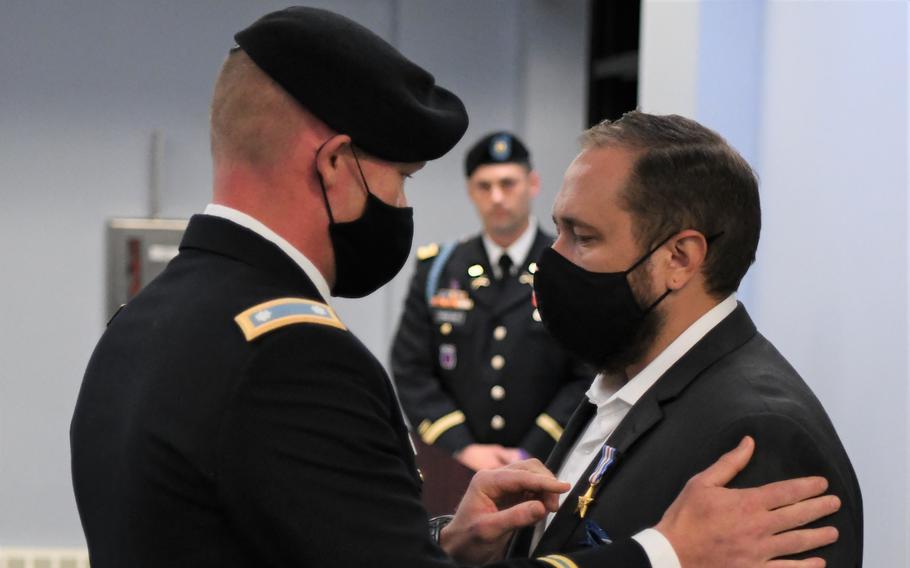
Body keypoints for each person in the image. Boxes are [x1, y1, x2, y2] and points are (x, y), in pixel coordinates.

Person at [70, 7, 841, 568]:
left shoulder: (141, 323)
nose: (404, 205)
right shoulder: (294, 357)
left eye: (583, 235)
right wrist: (666, 556)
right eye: (401, 178)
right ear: (336, 167)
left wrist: (436, 540)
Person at [509, 111, 863, 566]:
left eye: (582, 237)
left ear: (679, 257)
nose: (551, 260)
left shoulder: (760, 433)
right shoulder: (623, 377)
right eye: (559, 230)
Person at [392, 132, 589, 469]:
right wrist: (463, 447)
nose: (497, 197)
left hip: (548, 461)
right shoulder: (439, 269)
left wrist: (531, 450)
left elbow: (588, 371)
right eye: (484, 186)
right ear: (471, 191)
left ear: (533, 184)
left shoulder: (567, 266)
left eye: (508, 183)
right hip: (457, 464)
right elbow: (411, 367)